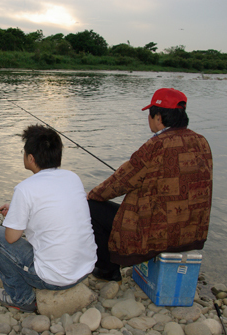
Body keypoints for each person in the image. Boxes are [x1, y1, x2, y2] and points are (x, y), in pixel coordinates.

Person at [87, 88, 213, 282]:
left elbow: (120, 182)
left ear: (158, 117)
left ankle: (107, 269)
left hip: (157, 234)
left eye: (150, 114)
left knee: (90, 208)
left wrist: (93, 194)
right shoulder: (201, 142)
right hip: (189, 233)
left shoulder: (156, 145)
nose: (149, 119)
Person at [0, 124, 97, 313]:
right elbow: (52, 206)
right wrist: (16, 210)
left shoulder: (25, 188)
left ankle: (21, 298)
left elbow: (11, 238)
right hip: (85, 269)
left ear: (30, 157)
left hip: (56, 279)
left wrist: (12, 218)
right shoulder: (72, 178)